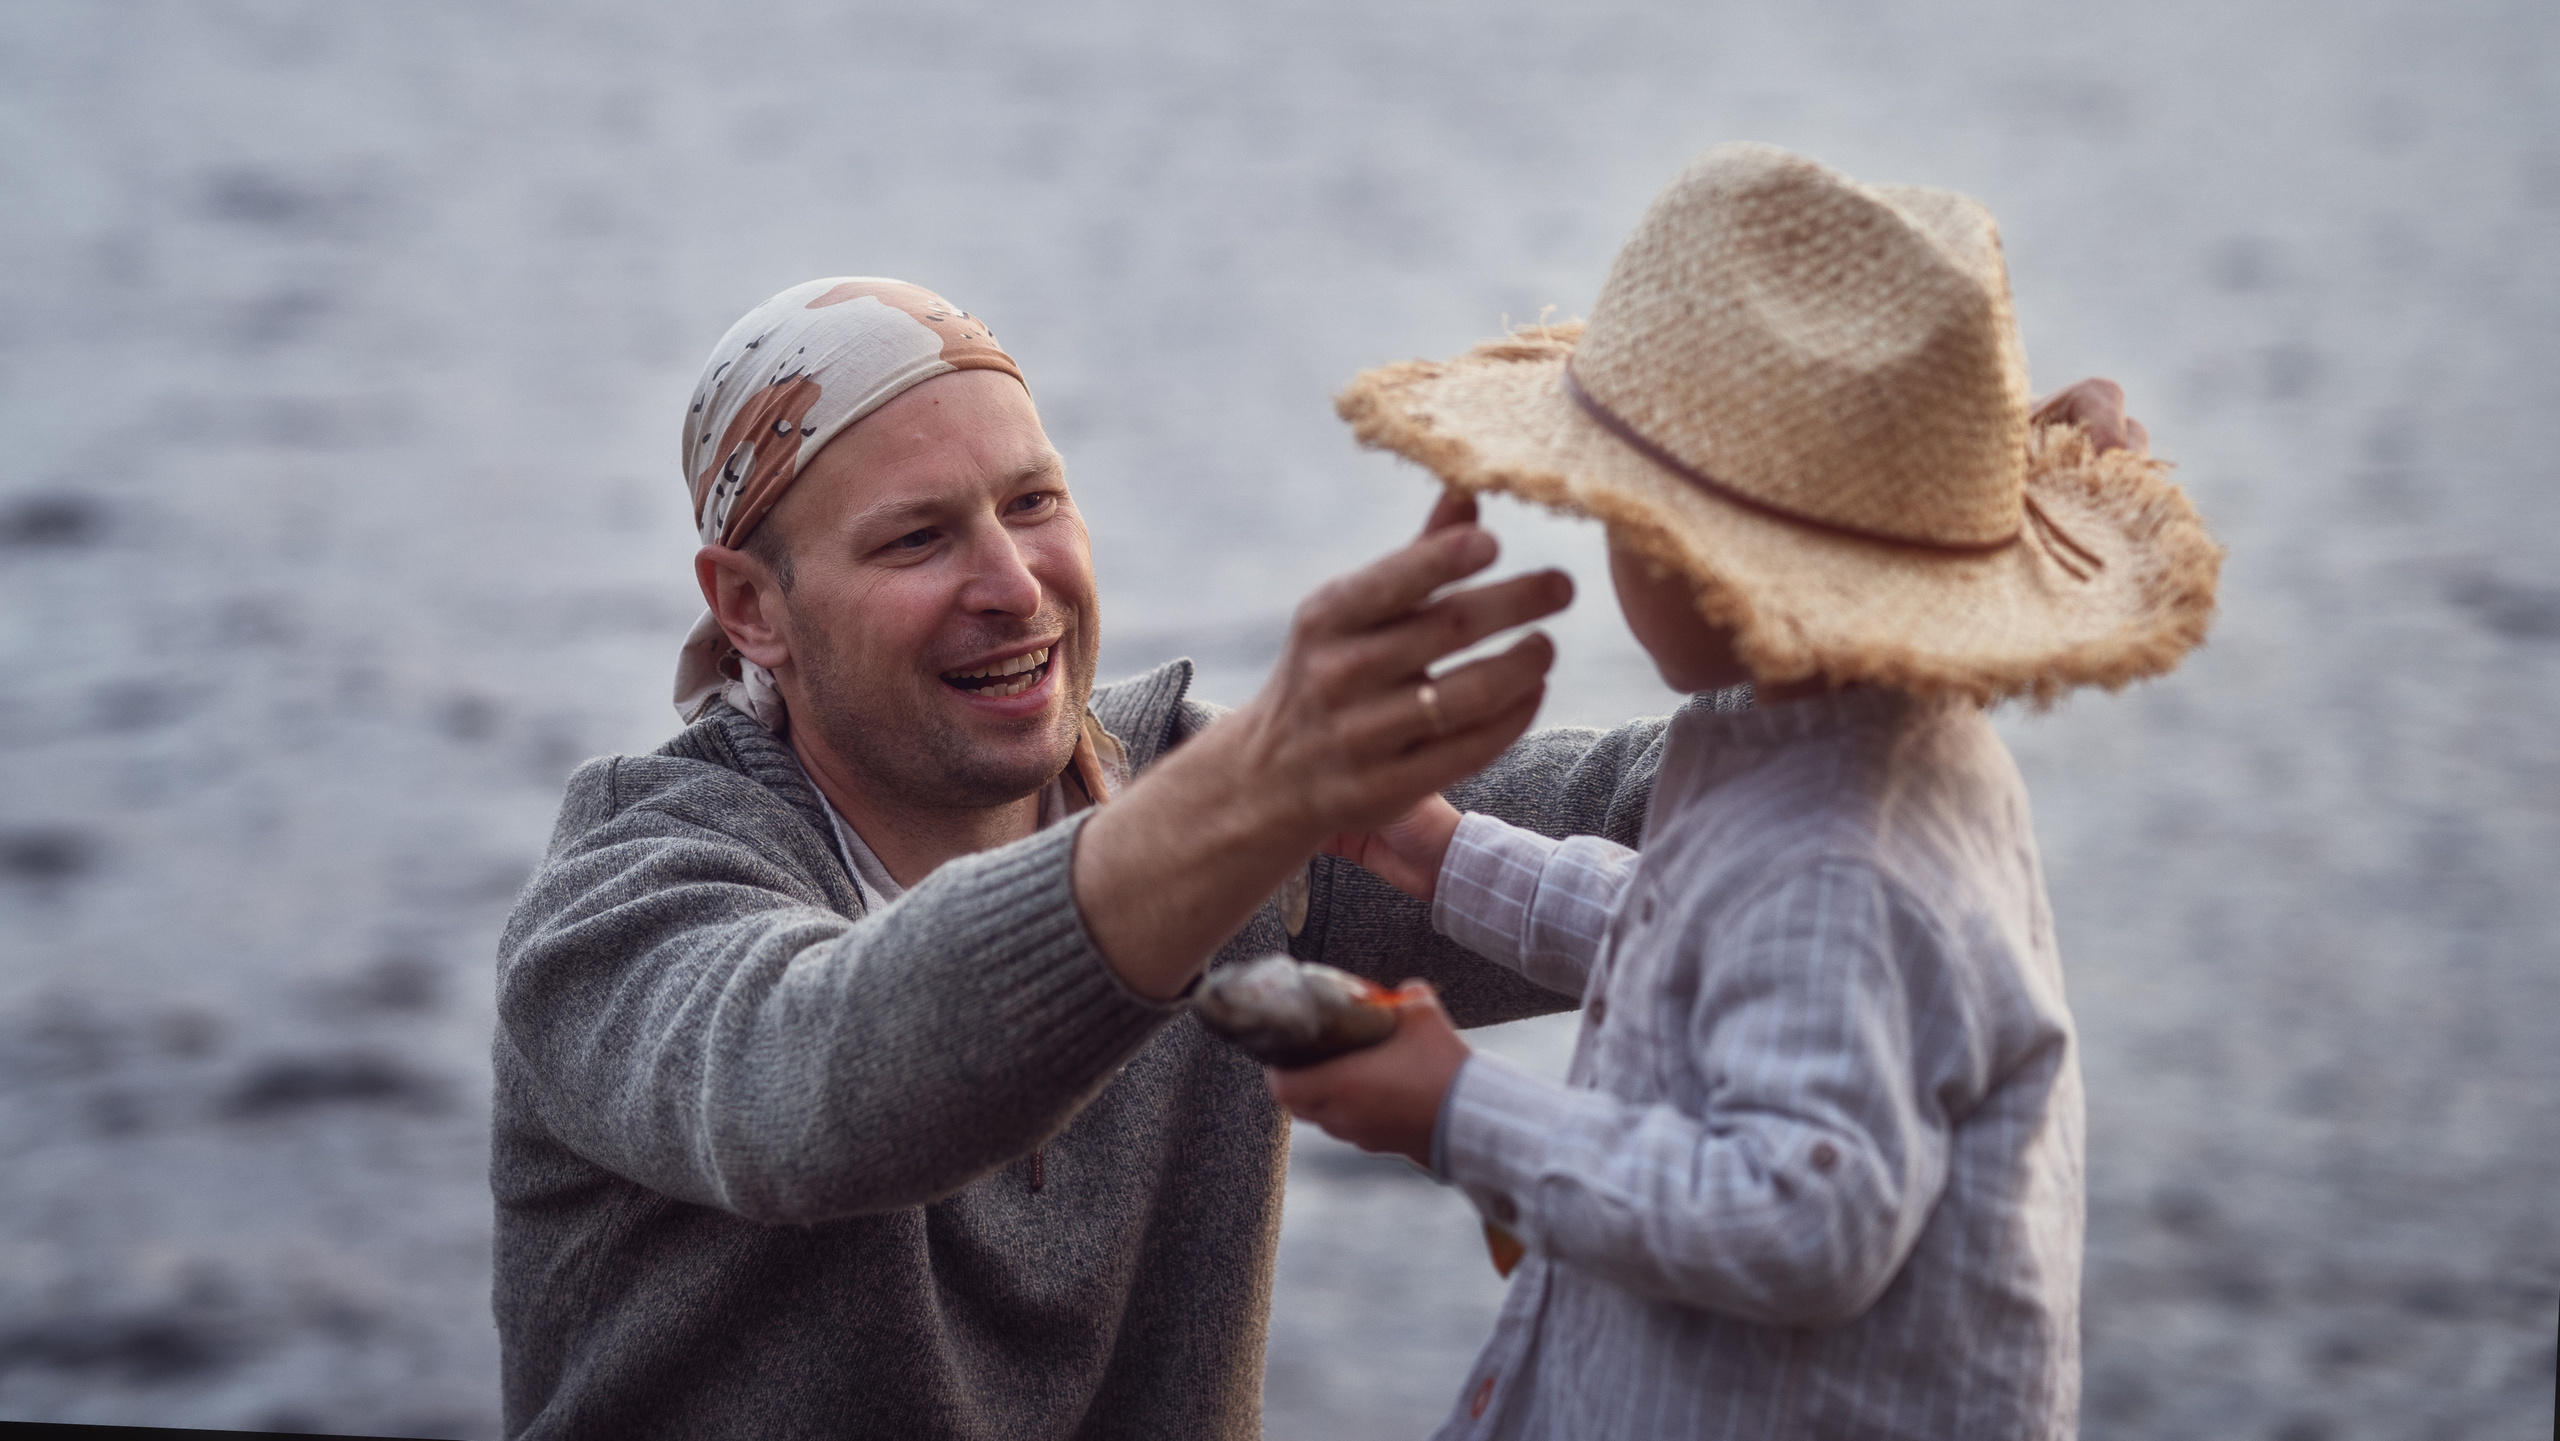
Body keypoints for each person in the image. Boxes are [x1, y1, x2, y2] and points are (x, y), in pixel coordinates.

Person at [491, 267, 2148, 1436]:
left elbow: (1696, 820)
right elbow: (824, 1085)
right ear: (750, 609)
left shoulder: (1218, 798)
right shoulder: (630, 901)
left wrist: (1911, 574)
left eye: (1036, 503)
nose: (1014, 583)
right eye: (921, 538)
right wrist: (1255, 794)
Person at [1274, 143, 2221, 1439]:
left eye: (1618, 514)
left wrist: (1462, 1111)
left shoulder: (1848, 850)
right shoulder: (1844, 745)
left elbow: (1802, 1217)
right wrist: (1448, 854)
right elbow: (1704, 937)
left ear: (1708, 561)